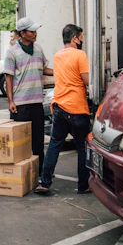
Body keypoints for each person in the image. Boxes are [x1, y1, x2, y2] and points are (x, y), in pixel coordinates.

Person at [35, 24, 91, 194]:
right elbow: (86, 81)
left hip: (59, 106)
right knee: (82, 147)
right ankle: (83, 185)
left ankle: (44, 183)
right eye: (80, 37)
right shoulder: (80, 55)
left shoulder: (58, 56)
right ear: (75, 38)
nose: (81, 41)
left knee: (54, 145)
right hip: (77, 108)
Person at [4, 17, 53, 174]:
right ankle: (22, 174)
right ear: (23, 33)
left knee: (38, 140)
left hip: (37, 101)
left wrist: (62, 72)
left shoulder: (38, 49)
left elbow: (44, 69)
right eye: (32, 31)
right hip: (20, 104)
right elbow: (8, 77)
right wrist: (11, 101)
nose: (35, 34)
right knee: (21, 142)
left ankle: (40, 173)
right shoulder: (12, 52)